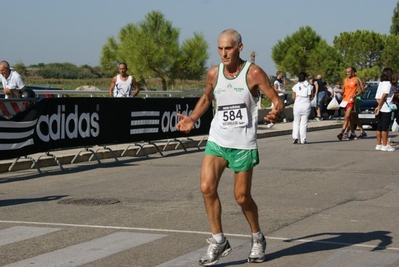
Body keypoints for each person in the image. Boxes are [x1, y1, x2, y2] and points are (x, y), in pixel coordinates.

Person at [175, 29, 283, 266]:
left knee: (242, 197)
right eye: (220, 48)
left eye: (229, 48)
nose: (224, 53)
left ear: (239, 48)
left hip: (243, 143)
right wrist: (192, 119)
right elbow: (206, 97)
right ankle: (218, 240)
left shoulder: (253, 73)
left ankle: (257, 237)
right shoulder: (214, 73)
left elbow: (276, 99)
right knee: (206, 187)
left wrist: (276, 110)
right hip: (218, 139)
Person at [337, 66, 363, 141]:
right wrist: (338, 91)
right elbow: (343, 90)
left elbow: (361, 90)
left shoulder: (356, 80)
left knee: (347, 117)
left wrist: (355, 95)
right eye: (347, 72)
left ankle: (342, 132)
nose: (347, 73)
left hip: (351, 101)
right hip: (344, 100)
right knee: (349, 118)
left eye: (349, 72)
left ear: (352, 72)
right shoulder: (345, 80)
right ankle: (353, 133)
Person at [375, 68, 396, 152]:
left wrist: (379, 105)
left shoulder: (381, 83)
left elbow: (377, 97)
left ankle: (379, 144)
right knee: (385, 128)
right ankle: (385, 145)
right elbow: (384, 95)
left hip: (381, 107)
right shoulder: (388, 84)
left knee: (379, 127)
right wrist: (380, 105)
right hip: (386, 108)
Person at [291, 72, 313, 144]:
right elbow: (311, 97)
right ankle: (303, 139)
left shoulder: (295, 86)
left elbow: (293, 97)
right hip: (306, 105)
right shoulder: (309, 86)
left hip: (298, 105)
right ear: (305, 77)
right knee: (304, 123)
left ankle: (295, 137)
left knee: (296, 122)